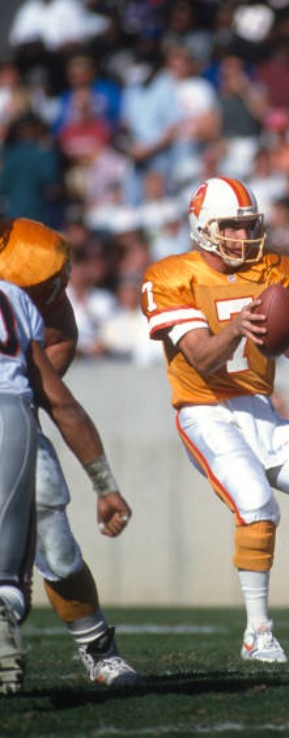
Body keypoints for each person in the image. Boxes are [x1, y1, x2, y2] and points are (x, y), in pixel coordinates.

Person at [141, 176, 289, 663]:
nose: (243, 236)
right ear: (204, 228)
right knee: (256, 505)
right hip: (205, 411)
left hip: (261, 408)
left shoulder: (274, 270)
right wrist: (236, 328)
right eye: (232, 226)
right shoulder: (172, 276)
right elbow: (203, 359)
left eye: (248, 226)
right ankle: (257, 633)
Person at [0, 217, 139, 686]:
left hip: (12, 416)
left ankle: (97, 648)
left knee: (55, 543)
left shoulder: (23, 281)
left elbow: (59, 355)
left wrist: (105, 485)